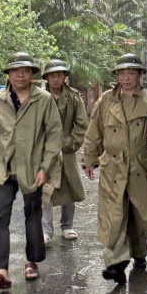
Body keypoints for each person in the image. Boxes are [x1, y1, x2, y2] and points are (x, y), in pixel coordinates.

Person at [83, 53, 147, 285]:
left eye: (130, 73)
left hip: (139, 166)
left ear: (140, 75)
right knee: (114, 215)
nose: (125, 78)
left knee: (139, 214)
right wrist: (90, 158)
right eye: (122, 73)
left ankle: (139, 254)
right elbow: (94, 131)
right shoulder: (106, 100)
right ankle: (115, 263)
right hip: (112, 168)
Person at [0, 52, 62, 288]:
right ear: (9, 74)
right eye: (15, 70)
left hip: (32, 169)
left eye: (25, 70)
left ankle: (32, 261)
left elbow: (54, 136)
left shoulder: (43, 100)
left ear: (32, 74)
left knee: (32, 217)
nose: (20, 74)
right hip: (2, 169)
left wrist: (45, 168)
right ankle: (1, 271)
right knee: (0, 217)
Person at [40, 59, 88, 242]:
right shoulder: (37, 97)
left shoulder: (74, 97)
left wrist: (71, 143)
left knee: (69, 187)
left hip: (66, 150)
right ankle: (46, 230)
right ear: (46, 77)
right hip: (43, 151)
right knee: (45, 190)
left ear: (64, 76)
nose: (56, 78)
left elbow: (82, 123)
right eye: (52, 75)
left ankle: (68, 225)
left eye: (59, 74)